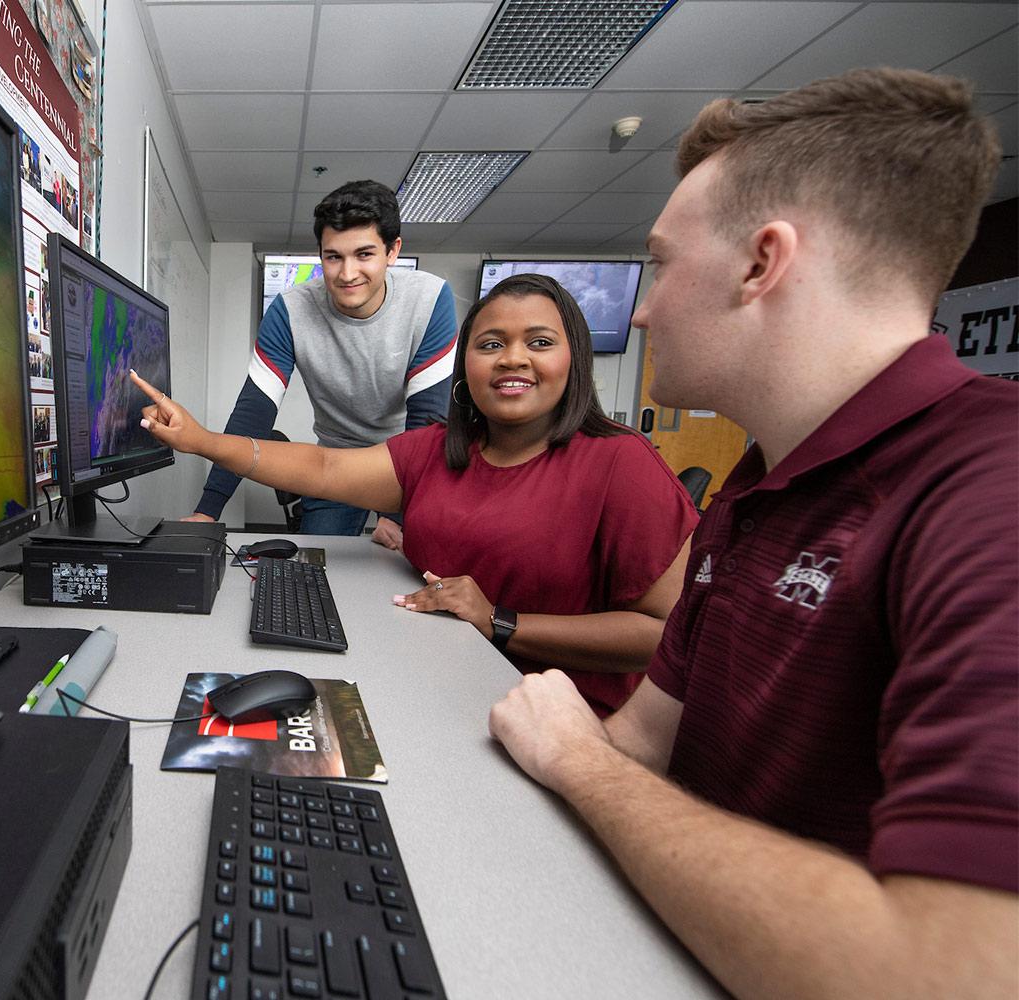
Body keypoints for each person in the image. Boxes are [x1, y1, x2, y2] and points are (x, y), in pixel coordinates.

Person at [487, 68, 1018, 999]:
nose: (643, 309)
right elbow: (646, 743)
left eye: (660, 261)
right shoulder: (760, 477)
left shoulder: (988, 492)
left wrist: (575, 762)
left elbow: (949, 974)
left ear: (761, 262)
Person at [132, 272, 697, 716]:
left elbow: (667, 634)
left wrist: (503, 621)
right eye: (491, 343)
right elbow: (324, 466)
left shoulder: (621, 462)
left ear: (573, 359)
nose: (512, 359)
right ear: (465, 364)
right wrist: (202, 440)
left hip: (554, 717)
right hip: (439, 680)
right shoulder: (438, 449)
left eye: (540, 342)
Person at [186, 180, 457, 548]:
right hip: (334, 460)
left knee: (408, 563)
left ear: (392, 251)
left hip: (403, 457)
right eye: (333, 257)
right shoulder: (289, 311)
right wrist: (208, 510)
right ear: (320, 254)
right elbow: (253, 415)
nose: (347, 274)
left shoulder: (430, 299)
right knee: (317, 561)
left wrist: (395, 513)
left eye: (364, 255)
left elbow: (427, 422)